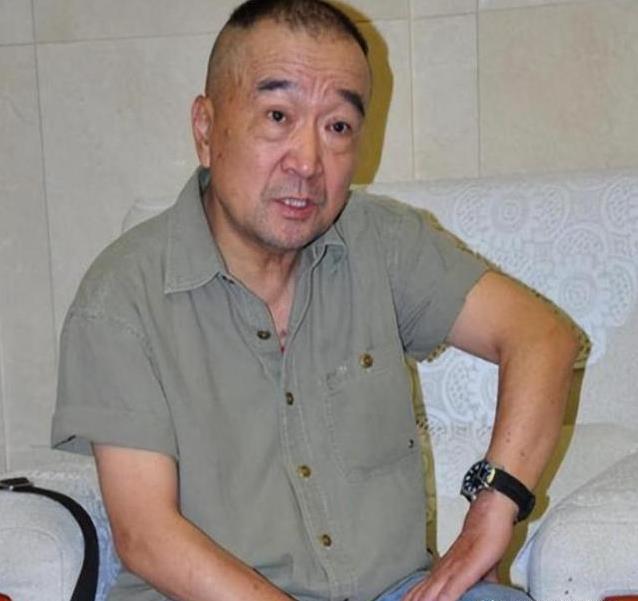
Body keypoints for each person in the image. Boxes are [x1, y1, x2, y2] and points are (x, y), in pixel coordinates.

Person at [51, 1, 579, 600]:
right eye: (278, 116)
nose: (307, 162)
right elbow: (146, 534)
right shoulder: (121, 296)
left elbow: (542, 337)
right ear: (205, 129)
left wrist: (494, 507)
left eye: (338, 127)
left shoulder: (383, 243)